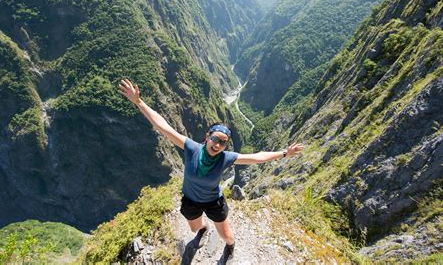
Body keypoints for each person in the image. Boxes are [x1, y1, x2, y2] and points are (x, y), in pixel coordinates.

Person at [118, 79, 304, 264]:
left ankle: (230, 247)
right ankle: (203, 230)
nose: (218, 144)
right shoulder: (191, 148)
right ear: (207, 136)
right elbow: (163, 126)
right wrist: (138, 102)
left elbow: (257, 157)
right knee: (195, 229)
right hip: (191, 200)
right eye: (215, 138)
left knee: (226, 236)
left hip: (214, 202)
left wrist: (285, 153)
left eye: (223, 142)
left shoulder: (226, 158)